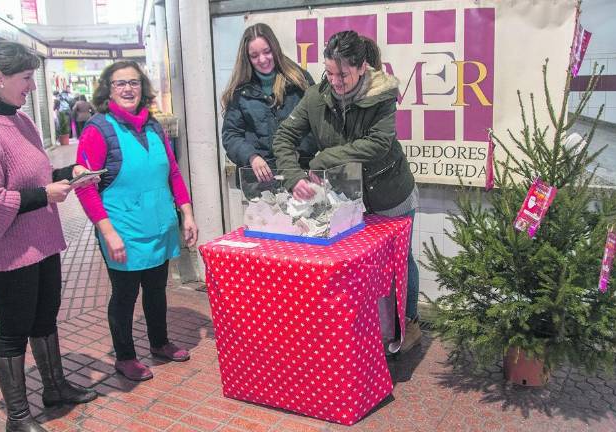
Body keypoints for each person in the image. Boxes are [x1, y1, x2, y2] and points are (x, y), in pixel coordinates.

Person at [0, 42, 98, 432]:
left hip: (40, 243)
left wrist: (68, 173)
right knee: (14, 329)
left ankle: (54, 388)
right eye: (25, 78)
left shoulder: (22, 120)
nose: (32, 87)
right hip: (7, 252)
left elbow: (33, 177)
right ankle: (18, 417)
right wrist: (44, 195)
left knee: (45, 317)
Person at [273, 31, 423, 353]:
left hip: (390, 194)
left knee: (399, 262)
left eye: (343, 74)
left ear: (361, 67)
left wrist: (324, 158)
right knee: (362, 268)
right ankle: (369, 329)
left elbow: (379, 144)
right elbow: (284, 137)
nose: (336, 81)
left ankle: (409, 322)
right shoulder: (316, 97)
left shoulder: (382, 94)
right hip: (349, 203)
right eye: (330, 72)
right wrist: (293, 176)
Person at [75, 60, 199, 381]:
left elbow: (172, 172)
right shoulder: (98, 129)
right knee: (125, 294)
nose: (128, 89)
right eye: (120, 84)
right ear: (108, 90)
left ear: (142, 87)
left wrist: (186, 212)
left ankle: (159, 343)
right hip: (122, 230)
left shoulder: (153, 126)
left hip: (159, 225)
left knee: (157, 289)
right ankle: (125, 356)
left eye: (134, 82)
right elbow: (86, 188)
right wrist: (108, 232)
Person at [220, 23, 317, 185]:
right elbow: (231, 135)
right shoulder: (239, 91)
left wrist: (298, 152)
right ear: (247, 58)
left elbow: (316, 125)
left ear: (275, 49)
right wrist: (251, 156)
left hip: (297, 174)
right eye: (254, 55)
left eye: (267, 52)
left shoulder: (300, 81)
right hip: (257, 182)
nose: (262, 60)